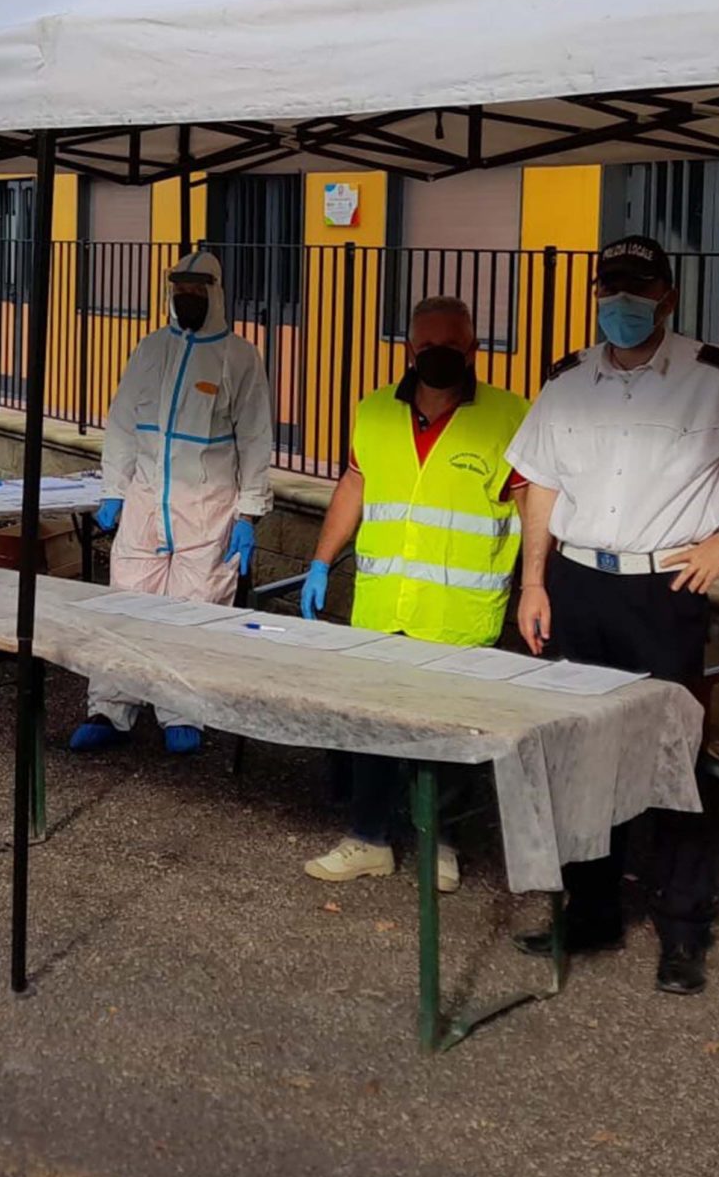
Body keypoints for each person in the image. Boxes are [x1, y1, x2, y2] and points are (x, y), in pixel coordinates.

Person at [504, 234, 719, 996]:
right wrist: (533, 582)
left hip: (662, 591)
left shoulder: (715, 377)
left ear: (667, 298)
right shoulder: (568, 380)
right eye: (610, 288)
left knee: (673, 760)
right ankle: (593, 910)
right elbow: (539, 483)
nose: (621, 303)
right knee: (581, 752)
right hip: (578, 583)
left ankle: (682, 930)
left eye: (637, 290)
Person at [296, 294, 526, 892]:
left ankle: (441, 845)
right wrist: (320, 561)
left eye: (452, 345)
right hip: (381, 605)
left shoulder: (510, 416)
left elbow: (531, 505)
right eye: (427, 346)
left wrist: (537, 585)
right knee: (371, 729)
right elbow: (355, 484)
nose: (439, 355)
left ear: (474, 349)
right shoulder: (374, 410)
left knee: (449, 734)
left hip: (459, 613)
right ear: (408, 349)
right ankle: (368, 839)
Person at [71, 250, 274, 756]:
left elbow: (255, 439)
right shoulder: (151, 349)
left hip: (207, 509)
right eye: (179, 289)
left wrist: (248, 513)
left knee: (194, 611)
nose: (186, 298)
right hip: (145, 501)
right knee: (124, 606)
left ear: (215, 293)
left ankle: (183, 711)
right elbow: (123, 422)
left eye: (196, 290)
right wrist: (113, 490)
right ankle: (110, 707)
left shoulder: (239, 358)